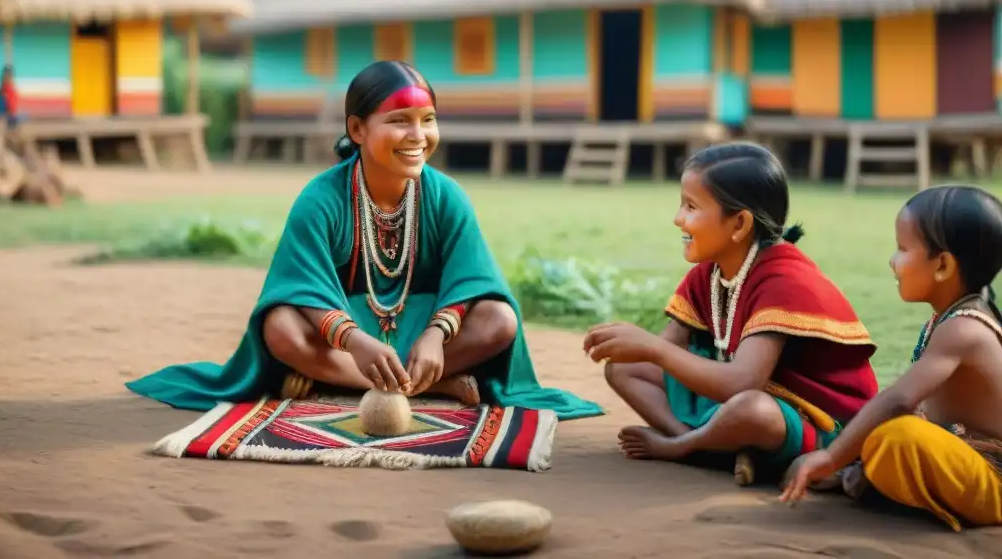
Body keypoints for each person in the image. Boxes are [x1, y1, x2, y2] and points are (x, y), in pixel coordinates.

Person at [127, 60, 603, 422]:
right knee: (281, 329)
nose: (417, 135)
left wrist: (436, 336)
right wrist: (354, 340)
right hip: (344, 332)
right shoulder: (321, 198)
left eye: (428, 119)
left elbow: (471, 278)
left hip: (421, 333)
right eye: (399, 120)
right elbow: (300, 286)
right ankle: (434, 387)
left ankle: (350, 382)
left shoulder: (446, 196)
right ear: (357, 129)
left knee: (499, 318)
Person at [584, 142, 879, 484]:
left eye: (691, 207)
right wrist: (635, 347)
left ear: (739, 224)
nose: (678, 218)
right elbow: (670, 348)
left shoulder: (784, 279)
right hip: (741, 396)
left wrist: (653, 348)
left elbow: (743, 381)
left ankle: (681, 447)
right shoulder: (710, 272)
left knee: (751, 411)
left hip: (818, 422)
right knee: (625, 369)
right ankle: (714, 448)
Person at [781, 185, 1002, 531]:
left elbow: (899, 398)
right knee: (880, 422)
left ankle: (862, 476)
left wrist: (829, 457)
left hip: (992, 478)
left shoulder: (963, 330)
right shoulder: (949, 317)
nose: (892, 260)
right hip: (961, 453)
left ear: (942, 264)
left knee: (897, 434)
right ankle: (865, 476)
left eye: (902, 249)